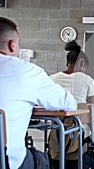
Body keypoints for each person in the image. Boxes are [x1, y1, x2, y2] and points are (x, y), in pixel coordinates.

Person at [0, 17, 77, 169]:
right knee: (40, 159)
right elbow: (69, 103)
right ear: (12, 44)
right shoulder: (27, 71)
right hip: (7, 162)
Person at [49, 40, 94, 169]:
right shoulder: (87, 80)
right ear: (82, 63)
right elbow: (93, 116)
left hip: (57, 131)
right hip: (80, 132)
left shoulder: (52, 79)